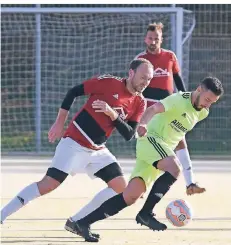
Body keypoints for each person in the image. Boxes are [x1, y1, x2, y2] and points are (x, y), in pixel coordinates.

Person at [1, 58, 154, 242]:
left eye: (149, 79)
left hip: (97, 150)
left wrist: (112, 114)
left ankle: (77, 222)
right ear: (131, 73)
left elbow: (129, 134)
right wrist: (60, 123)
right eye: (143, 77)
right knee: (48, 185)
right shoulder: (108, 82)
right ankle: (2, 215)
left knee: (122, 188)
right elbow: (73, 92)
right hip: (73, 143)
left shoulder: (140, 102)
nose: (145, 82)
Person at [66, 77, 223, 241]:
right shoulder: (178, 99)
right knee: (174, 169)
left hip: (162, 151)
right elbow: (153, 109)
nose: (208, 104)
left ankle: (83, 223)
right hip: (150, 139)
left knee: (131, 195)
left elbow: (180, 138)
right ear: (199, 89)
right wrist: (143, 124)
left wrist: (190, 180)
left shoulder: (202, 113)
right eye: (207, 99)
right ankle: (146, 213)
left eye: (212, 102)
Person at [135, 22, 205, 195]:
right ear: (145, 39)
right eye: (150, 38)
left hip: (169, 107)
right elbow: (135, 84)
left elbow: (176, 78)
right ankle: (140, 184)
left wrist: (184, 96)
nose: (153, 41)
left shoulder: (170, 56)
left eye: (156, 38)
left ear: (161, 39)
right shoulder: (140, 60)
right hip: (151, 110)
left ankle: (190, 183)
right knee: (148, 146)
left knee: (180, 139)